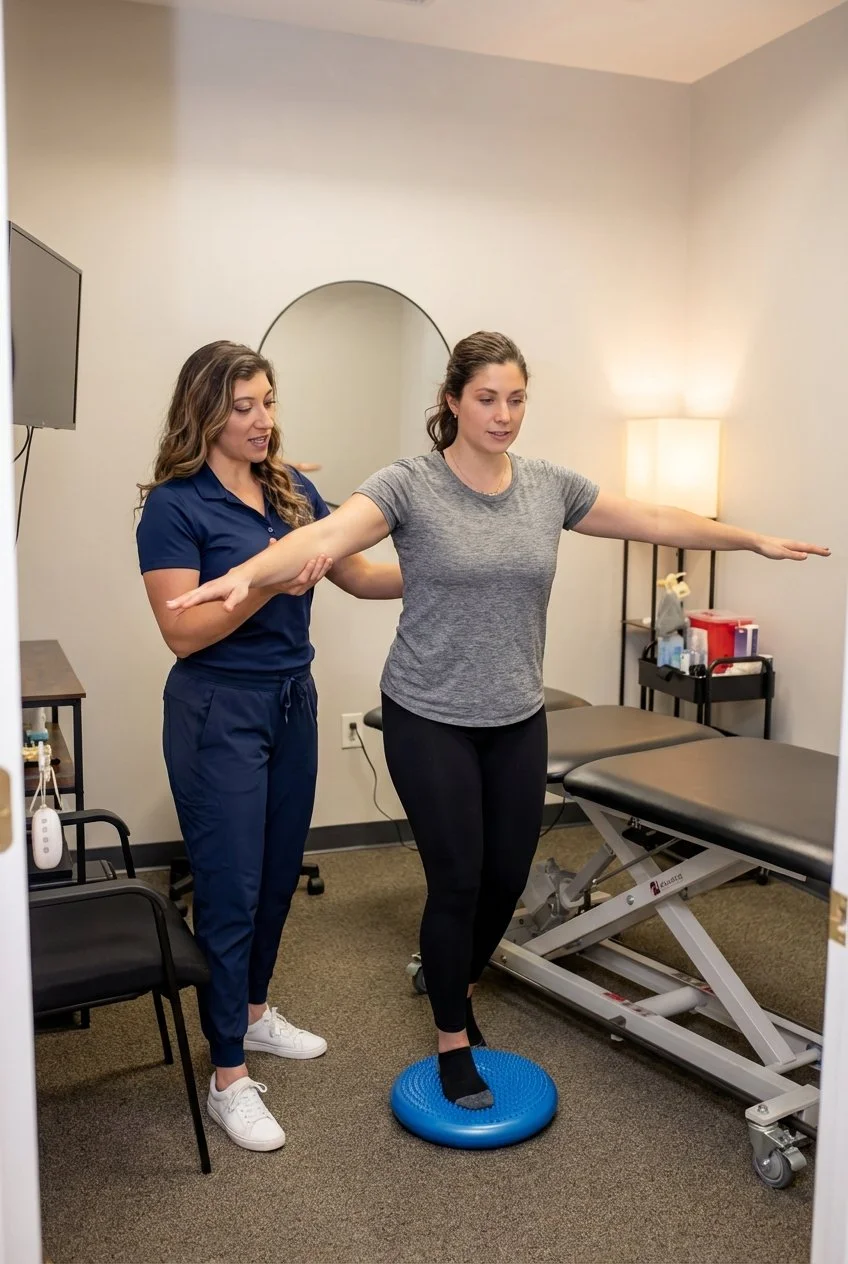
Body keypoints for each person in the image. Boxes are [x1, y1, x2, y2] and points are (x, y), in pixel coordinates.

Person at [165, 331, 830, 1113]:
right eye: (487, 397)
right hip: (428, 714)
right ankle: (453, 1034)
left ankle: (456, 975)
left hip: (516, 713)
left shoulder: (548, 485)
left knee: (505, 877)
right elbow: (322, 540)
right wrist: (240, 577)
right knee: (456, 878)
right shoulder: (408, 484)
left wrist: (748, 537)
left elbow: (649, 517)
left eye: (516, 398)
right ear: (452, 401)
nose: (504, 413)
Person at [136, 341, 402, 1151]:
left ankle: (250, 1015)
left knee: (280, 874)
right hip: (218, 708)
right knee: (230, 889)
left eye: (269, 402)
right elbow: (181, 631)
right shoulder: (173, 508)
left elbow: (356, 576)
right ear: (205, 412)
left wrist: (450, 567)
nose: (262, 420)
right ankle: (226, 1078)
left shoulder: (293, 490)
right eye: (243, 406)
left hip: (292, 701)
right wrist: (267, 581)